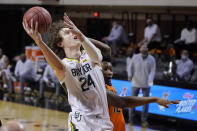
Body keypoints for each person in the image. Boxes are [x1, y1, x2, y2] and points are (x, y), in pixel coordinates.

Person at [23, 13, 113, 130]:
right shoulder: (65, 64)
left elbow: (97, 57)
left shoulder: (90, 54)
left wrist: (80, 35)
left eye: (72, 30)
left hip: (104, 121)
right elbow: (59, 67)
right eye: (67, 33)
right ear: (60, 43)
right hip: (82, 122)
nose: (72, 33)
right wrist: (40, 42)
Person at [102, 57, 180, 130]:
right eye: (105, 70)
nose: (109, 73)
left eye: (111, 70)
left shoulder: (111, 88)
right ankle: (131, 120)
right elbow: (123, 102)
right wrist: (155, 99)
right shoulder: (101, 90)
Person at [127, 45, 156, 126]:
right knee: (132, 102)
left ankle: (144, 120)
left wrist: (150, 80)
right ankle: (131, 120)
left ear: (148, 50)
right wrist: (129, 75)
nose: (143, 49)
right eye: (142, 47)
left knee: (146, 103)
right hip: (135, 82)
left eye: (145, 47)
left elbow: (153, 71)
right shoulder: (135, 57)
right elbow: (130, 67)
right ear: (140, 49)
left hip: (146, 83)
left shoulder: (152, 59)